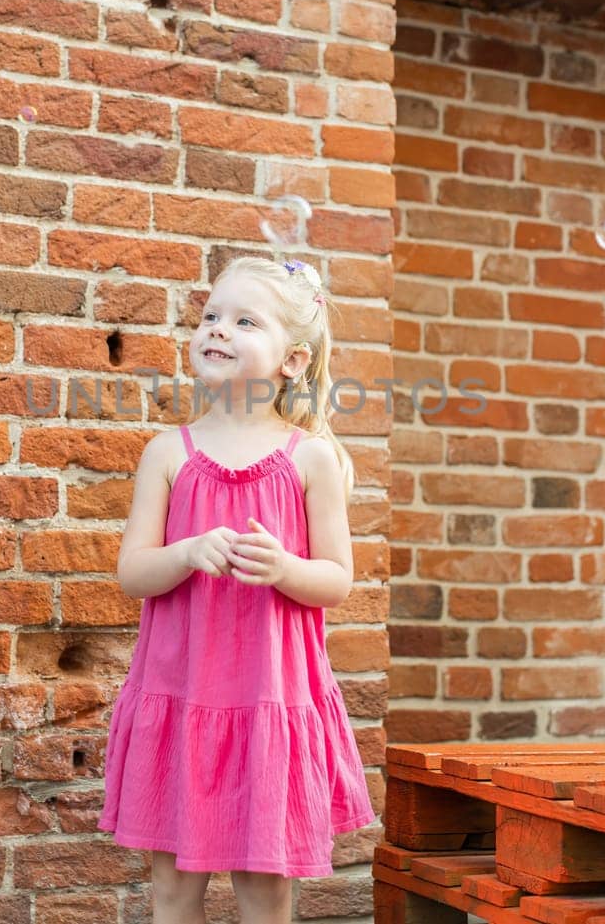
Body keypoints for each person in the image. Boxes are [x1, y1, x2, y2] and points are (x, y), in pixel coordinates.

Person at [100, 254, 374, 923]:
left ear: (293, 362)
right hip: (181, 694)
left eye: (244, 320)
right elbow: (132, 569)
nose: (217, 328)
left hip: (268, 702)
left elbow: (337, 579)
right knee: (172, 891)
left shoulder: (310, 458)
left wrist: (284, 568)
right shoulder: (168, 452)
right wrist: (187, 552)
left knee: (264, 893)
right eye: (210, 315)